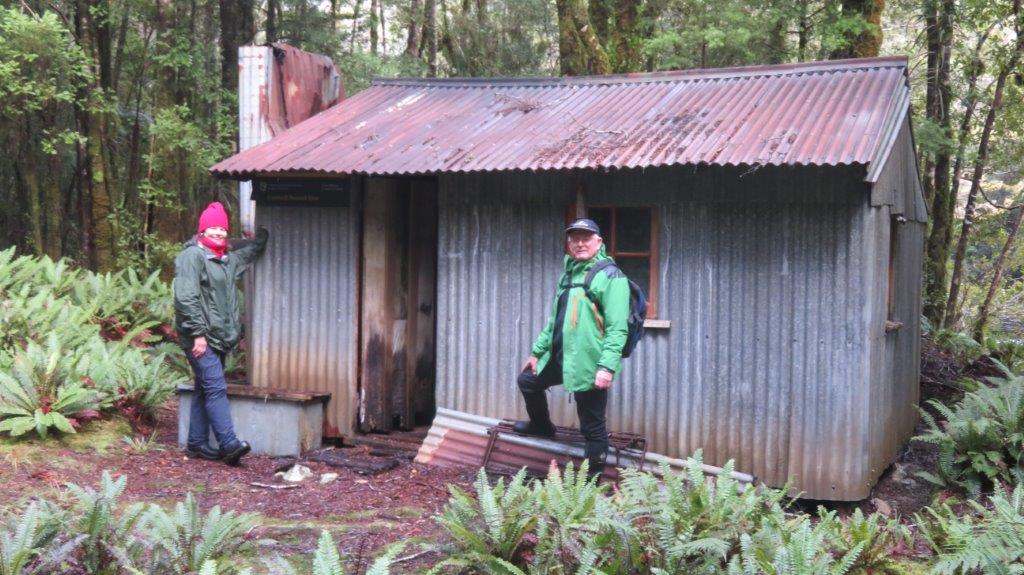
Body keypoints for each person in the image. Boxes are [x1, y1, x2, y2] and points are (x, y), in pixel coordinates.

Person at [515, 218, 631, 480]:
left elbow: (617, 329)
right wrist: (537, 352)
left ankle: (591, 483)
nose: (580, 243)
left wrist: (606, 367)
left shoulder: (611, 277)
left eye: (586, 238)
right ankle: (542, 426)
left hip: (589, 362)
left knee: (592, 426)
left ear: (598, 242)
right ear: (569, 244)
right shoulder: (568, 274)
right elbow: (554, 320)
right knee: (528, 381)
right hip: (562, 357)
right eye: (574, 239)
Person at [173, 201, 268, 465]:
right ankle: (229, 444)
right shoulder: (192, 257)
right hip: (200, 337)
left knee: (204, 389)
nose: (218, 232)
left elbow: (248, 254)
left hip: (219, 337)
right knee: (215, 388)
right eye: (213, 228)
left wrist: (262, 237)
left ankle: (196, 444)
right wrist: (197, 334)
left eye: (223, 229)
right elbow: (185, 298)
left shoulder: (226, 260)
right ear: (202, 230)